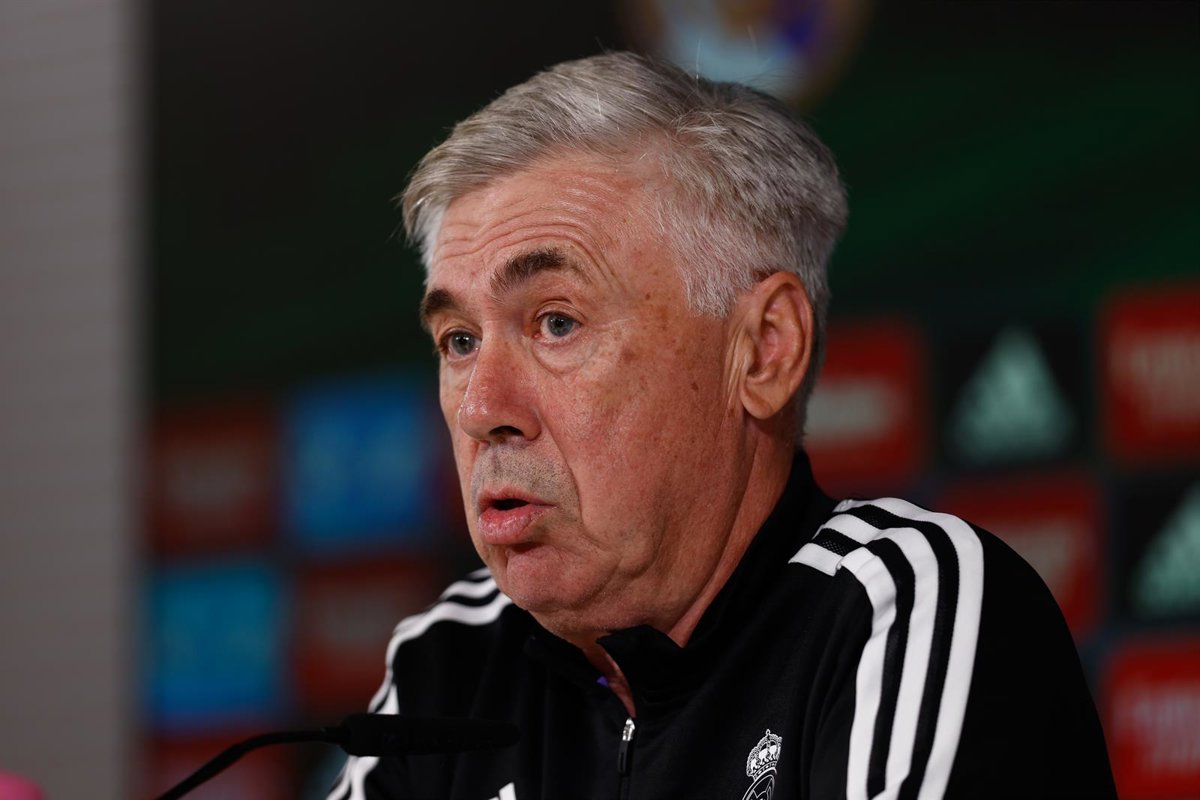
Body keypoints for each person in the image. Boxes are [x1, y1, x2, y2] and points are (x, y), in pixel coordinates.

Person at [328, 52, 1116, 800]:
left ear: (764, 351)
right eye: (460, 341)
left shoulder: (899, 607)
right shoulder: (450, 663)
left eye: (557, 323)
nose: (481, 410)